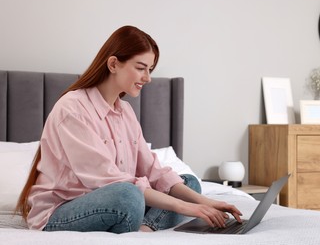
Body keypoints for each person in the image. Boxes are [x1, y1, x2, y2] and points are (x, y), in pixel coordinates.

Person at [16, 25, 242, 233]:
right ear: (113, 64)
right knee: (128, 195)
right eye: (141, 68)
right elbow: (111, 181)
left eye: (150, 69)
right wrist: (187, 208)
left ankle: (145, 231)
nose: (148, 78)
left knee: (188, 183)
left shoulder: (125, 112)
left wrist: (207, 202)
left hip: (113, 200)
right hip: (60, 214)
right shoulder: (72, 108)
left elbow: (153, 171)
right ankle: (145, 226)